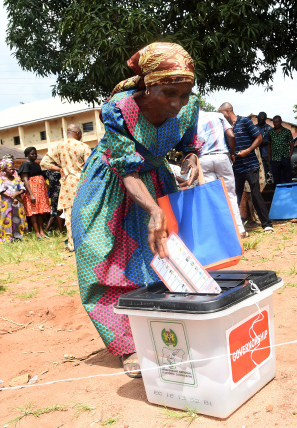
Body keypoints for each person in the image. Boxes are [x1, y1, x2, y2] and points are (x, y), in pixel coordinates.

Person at [72, 42, 202, 377]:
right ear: (149, 84)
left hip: (157, 180)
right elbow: (125, 169)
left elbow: (188, 143)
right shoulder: (120, 107)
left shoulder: (190, 107)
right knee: (103, 256)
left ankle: (166, 333)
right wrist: (154, 211)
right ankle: (127, 344)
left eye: (184, 94)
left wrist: (192, 158)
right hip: (112, 183)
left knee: (161, 257)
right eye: (168, 93)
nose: (177, 103)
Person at [219, 102, 274, 232]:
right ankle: (232, 227)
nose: (220, 116)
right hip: (236, 167)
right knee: (235, 196)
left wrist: (248, 150)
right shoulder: (225, 126)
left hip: (250, 165)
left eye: (221, 113)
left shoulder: (245, 121)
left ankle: (267, 224)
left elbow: (259, 138)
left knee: (256, 195)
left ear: (227, 111)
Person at [195, 108, 247, 237]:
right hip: (222, 156)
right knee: (230, 195)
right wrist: (232, 153)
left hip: (203, 159)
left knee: (211, 196)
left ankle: (220, 232)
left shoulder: (192, 120)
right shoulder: (218, 116)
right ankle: (240, 229)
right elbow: (231, 135)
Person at [41, 124, 92, 250]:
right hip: (82, 183)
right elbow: (91, 165)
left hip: (68, 184)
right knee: (86, 212)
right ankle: (88, 242)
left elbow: (44, 163)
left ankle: (72, 244)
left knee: (69, 215)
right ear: (78, 133)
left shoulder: (59, 146)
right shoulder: (83, 146)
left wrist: (60, 169)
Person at [18, 146, 51, 239]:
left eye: (35, 153)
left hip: (41, 191)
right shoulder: (25, 164)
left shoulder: (37, 164)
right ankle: (37, 233)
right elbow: (25, 179)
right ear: (27, 155)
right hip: (32, 190)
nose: (35, 155)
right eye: (32, 154)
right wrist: (31, 194)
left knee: (41, 212)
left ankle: (42, 232)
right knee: (34, 212)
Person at [0, 158, 27, 243]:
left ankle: (19, 235)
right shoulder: (1, 179)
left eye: (13, 169)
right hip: (6, 203)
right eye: (10, 169)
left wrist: (15, 195)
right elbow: (1, 191)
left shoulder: (17, 178)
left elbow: (22, 189)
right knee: (7, 218)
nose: (12, 170)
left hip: (18, 202)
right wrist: (12, 197)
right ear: (5, 170)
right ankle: (7, 237)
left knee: (18, 218)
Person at [267, 115, 294, 184]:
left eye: (277, 122)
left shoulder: (287, 131)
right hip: (274, 159)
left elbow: (291, 145)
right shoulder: (270, 132)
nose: (276, 124)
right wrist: (269, 157)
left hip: (285, 157)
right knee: (276, 179)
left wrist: (289, 156)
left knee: (287, 177)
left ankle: (289, 192)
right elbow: (269, 145)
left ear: (281, 122)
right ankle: (278, 193)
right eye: (274, 122)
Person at [255, 112, 272, 178]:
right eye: (258, 119)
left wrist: (263, 142)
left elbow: (272, 141)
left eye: (261, 120)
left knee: (269, 171)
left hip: (267, 153)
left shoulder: (269, 128)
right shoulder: (254, 128)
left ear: (264, 119)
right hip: (257, 154)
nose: (259, 121)